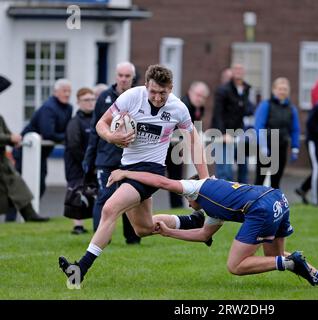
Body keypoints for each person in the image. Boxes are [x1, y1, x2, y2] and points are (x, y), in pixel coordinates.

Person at [59, 64, 209, 285]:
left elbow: (194, 142)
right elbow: (102, 123)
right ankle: (191, 221)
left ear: (171, 88)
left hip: (151, 170)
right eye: (153, 91)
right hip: (128, 168)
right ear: (146, 85)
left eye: (163, 92)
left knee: (110, 209)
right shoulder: (131, 97)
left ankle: (80, 269)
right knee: (143, 228)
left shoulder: (178, 108)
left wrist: (204, 180)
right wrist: (111, 137)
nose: (158, 97)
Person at [106, 169, 318, 287]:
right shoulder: (213, 208)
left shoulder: (196, 188)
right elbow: (204, 235)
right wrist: (169, 233)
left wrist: (126, 173)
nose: (188, 204)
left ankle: (290, 262)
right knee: (273, 256)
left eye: (189, 200)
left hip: (260, 207)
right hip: (277, 199)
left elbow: (161, 181)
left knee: (235, 265)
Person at [82, 62, 141, 244]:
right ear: (116, 76)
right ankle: (100, 239)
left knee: (129, 198)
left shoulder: (139, 98)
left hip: (130, 159)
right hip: (106, 158)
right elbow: (95, 129)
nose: (123, 79)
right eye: (120, 75)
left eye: (127, 76)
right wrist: (89, 159)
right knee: (105, 197)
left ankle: (132, 238)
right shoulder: (104, 98)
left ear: (132, 78)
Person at [0, 75, 49, 222]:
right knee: (10, 188)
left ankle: (29, 215)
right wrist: (10, 139)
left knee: (16, 185)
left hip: (2, 161)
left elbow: (5, 82)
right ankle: (25, 216)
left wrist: (12, 139)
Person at [13, 79, 73, 198]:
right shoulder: (49, 108)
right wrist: (66, 137)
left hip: (41, 153)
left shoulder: (68, 108)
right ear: (55, 92)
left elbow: (66, 129)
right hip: (25, 151)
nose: (67, 94)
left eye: (69, 91)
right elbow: (48, 133)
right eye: (64, 91)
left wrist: (64, 135)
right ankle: (12, 216)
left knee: (39, 186)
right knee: (20, 187)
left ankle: (31, 215)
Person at [166, 81, 210, 208]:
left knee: (176, 177)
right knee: (166, 176)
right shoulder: (183, 105)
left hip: (177, 145)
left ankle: (177, 206)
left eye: (203, 97)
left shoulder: (199, 108)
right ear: (190, 92)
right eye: (198, 95)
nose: (200, 99)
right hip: (168, 144)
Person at [254, 77, 300, 189]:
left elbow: (295, 129)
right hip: (267, 146)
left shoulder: (291, 108)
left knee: (276, 179)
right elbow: (259, 126)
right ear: (274, 90)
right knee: (260, 179)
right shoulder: (266, 105)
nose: (282, 91)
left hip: (281, 146)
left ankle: (273, 204)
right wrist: (263, 146)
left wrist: (295, 147)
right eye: (280, 89)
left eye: (285, 89)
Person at [212, 63, 254, 183]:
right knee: (225, 171)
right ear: (232, 72)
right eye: (236, 69)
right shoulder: (223, 90)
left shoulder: (246, 89)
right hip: (224, 134)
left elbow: (246, 110)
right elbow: (217, 114)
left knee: (243, 168)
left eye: (241, 69)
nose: (238, 71)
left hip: (239, 133)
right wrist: (222, 133)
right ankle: (223, 199)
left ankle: (242, 198)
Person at [64, 88, 96, 234]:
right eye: (86, 100)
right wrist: (86, 162)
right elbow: (73, 145)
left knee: (93, 193)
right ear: (78, 102)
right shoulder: (74, 122)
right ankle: (78, 226)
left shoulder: (97, 119)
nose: (90, 103)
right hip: (76, 165)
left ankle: (97, 224)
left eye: (92, 99)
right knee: (76, 193)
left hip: (92, 165)